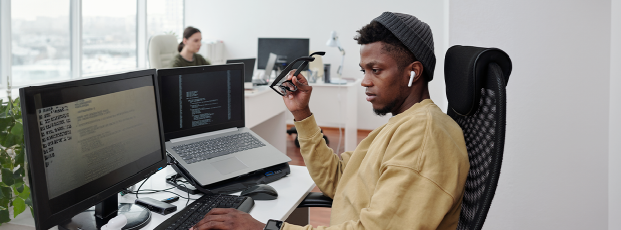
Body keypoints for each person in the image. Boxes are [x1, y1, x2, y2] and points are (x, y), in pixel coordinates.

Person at [190, 12, 470, 230]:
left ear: (413, 73)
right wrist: (302, 114)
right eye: (364, 70)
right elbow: (337, 178)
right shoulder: (404, 124)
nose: (365, 81)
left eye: (376, 70)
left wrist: (267, 228)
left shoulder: (425, 138)